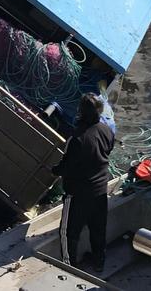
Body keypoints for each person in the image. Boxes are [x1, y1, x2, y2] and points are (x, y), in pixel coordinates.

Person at [52, 93, 115, 271]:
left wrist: (53, 169)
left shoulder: (77, 138)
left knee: (69, 232)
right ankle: (98, 261)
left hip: (78, 194)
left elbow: (66, 166)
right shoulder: (106, 130)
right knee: (98, 229)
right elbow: (108, 149)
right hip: (101, 191)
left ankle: (69, 266)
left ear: (80, 112)